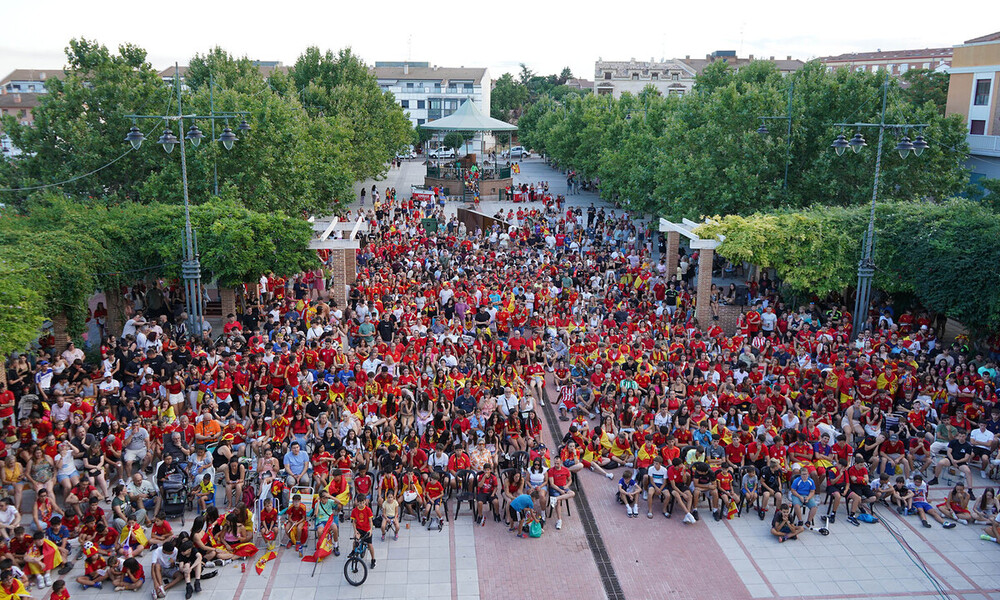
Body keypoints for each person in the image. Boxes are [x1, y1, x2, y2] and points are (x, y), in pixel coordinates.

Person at [349, 494, 375, 569]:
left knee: (370, 545)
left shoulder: (368, 510)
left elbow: (370, 521)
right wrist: (355, 531)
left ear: (365, 502)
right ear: (357, 502)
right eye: (360, 503)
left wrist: (370, 530)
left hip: (367, 529)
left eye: (363, 502)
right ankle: (353, 551)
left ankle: (373, 559)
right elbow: (354, 522)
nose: (361, 504)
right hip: (359, 529)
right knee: (355, 540)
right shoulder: (354, 511)